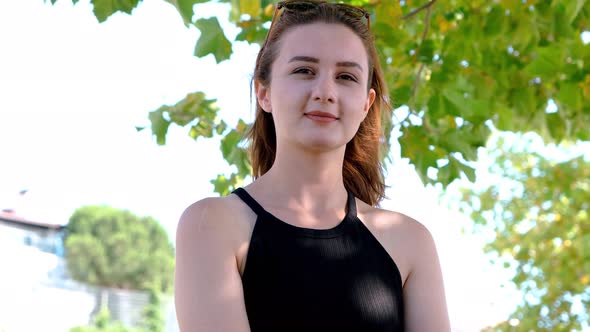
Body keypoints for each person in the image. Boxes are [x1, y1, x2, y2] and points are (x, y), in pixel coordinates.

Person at [174, 1, 450, 331]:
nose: (325, 92)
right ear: (264, 92)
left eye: (346, 76)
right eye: (304, 70)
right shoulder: (213, 225)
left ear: (366, 104)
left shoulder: (410, 242)